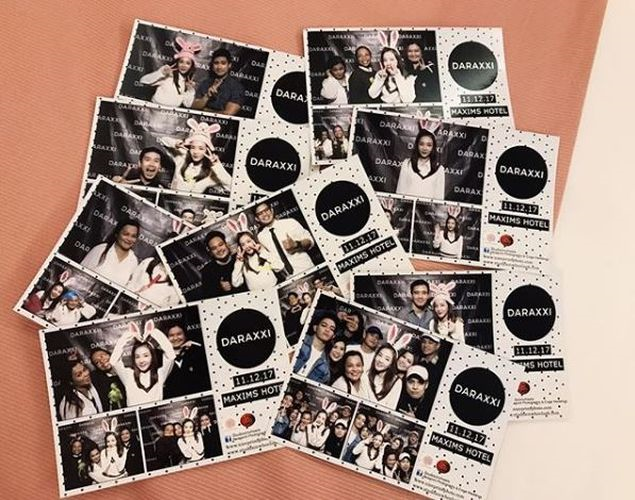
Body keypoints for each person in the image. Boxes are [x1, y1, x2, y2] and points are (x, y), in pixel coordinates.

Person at [110, 322, 176, 406]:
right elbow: (113, 361)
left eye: (146, 355)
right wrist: (129, 335)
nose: (141, 360)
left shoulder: (160, 374)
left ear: (152, 357)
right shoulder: (128, 375)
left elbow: (171, 356)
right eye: (137, 357)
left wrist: (152, 332)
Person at [159, 120, 231, 194]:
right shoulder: (181, 158)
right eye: (193, 147)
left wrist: (217, 165)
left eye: (201, 148)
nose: (196, 152)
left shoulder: (211, 173)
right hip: (170, 200)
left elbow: (231, 188)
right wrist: (176, 143)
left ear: (207, 150)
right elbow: (163, 141)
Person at [254, 201, 316, 277]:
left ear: (272, 210)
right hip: (288, 278)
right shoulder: (261, 237)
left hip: (307, 269)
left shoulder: (290, 222)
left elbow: (310, 241)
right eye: (260, 213)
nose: (265, 214)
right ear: (257, 218)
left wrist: (296, 244)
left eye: (266, 210)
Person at [139, 37, 200, 107]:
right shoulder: (168, 74)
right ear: (177, 63)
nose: (184, 65)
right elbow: (143, 80)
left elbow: (188, 104)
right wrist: (161, 73)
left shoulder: (187, 81)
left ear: (191, 66)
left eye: (188, 63)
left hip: (171, 113)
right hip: (155, 110)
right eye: (181, 62)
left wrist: (190, 90)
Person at [80, 219, 140, 287]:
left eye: (133, 236)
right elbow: (79, 274)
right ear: (117, 234)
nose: (129, 239)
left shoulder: (133, 261)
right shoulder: (100, 249)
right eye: (126, 234)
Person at [163, 323, 211, 398]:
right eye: (171, 335)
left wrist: (196, 346)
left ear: (185, 335)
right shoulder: (162, 359)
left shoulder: (197, 353)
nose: (175, 338)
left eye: (179, 334)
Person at [192, 48, 244, 115]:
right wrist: (207, 96)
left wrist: (205, 110)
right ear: (212, 65)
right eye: (216, 63)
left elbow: (228, 113)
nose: (219, 67)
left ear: (229, 65)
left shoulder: (236, 87)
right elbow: (194, 107)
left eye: (223, 63)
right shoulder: (205, 83)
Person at [396, 129, 445, 199]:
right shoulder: (407, 164)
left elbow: (439, 198)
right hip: (407, 205)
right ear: (417, 145)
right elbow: (400, 192)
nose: (425, 148)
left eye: (429, 145)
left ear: (433, 147)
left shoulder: (439, 169)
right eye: (421, 144)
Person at [200, 230, 247, 298]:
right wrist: (219, 288)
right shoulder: (207, 271)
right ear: (210, 252)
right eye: (214, 248)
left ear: (226, 245)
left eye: (221, 244)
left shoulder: (240, 258)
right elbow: (208, 298)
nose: (219, 249)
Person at [293, 312, 337, 383]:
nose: (327, 330)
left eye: (331, 329)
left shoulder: (325, 365)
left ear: (333, 336)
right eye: (324, 325)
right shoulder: (299, 341)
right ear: (315, 327)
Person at [366, 345, 403, 410]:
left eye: (387, 359)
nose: (381, 360)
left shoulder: (396, 382)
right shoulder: (366, 375)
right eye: (380, 355)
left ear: (391, 364)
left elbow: (391, 409)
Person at [89, 347, 127, 412]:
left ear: (110, 355)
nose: (101, 361)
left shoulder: (126, 371)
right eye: (97, 362)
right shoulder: (96, 379)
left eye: (102, 356)